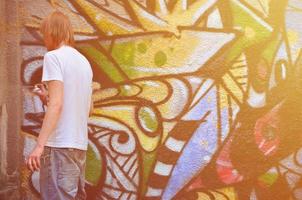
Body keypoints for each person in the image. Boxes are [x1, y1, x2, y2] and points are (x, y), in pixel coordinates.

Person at [26, 11, 93, 200]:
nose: (43, 40)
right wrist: (46, 98)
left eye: (44, 34)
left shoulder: (53, 57)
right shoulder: (84, 62)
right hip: (79, 146)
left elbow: (57, 105)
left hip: (59, 146)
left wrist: (39, 146)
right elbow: (88, 109)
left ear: (51, 32)